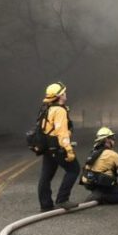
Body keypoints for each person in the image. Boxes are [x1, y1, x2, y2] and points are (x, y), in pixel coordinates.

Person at [37, 82, 79, 212]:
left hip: (48, 147)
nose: (66, 94)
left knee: (46, 176)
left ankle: (46, 205)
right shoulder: (59, 110)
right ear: (60, 95)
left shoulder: (47, 108)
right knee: (74, 169)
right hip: (58, 147)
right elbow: (62, 132)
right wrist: (68, 150)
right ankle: (62, 200)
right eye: (64, 93)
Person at [81, 127, 118, 204]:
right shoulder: (112, 155)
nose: (113, 140)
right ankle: (101, 197)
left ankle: (97, 193)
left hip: (90, 183)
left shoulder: (93, 152)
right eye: (112, 138)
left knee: (113, 186)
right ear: (106, 140)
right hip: (103, 184)